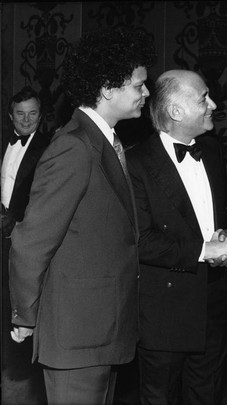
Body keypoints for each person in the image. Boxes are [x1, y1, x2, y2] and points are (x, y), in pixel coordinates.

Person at [8, 27, 156, 405]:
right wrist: (24, 315)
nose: (146, 93)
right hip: (77, 333)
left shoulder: (102, 139)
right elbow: (32, 238)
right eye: (139, 85)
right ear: (108, 88)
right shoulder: (74, 147)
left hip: (100, 329)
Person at [126, 69, 227, 405]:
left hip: (214, 301)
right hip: (165, 311)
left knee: (207, 395)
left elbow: (213, 219)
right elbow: (141, 241)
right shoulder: (135, 163)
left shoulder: (212, 150)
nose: (212, 104)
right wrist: (205, 250)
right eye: (203, 97)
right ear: (175, 111)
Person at [1, 86, 50, 394]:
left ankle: (26, 372)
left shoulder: (50, 147)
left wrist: (15, 219)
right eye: (20, 114)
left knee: (22, 305)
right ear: (10, 116)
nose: (27, 119)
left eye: (33, 113)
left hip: (26, 238)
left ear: (40, 116)